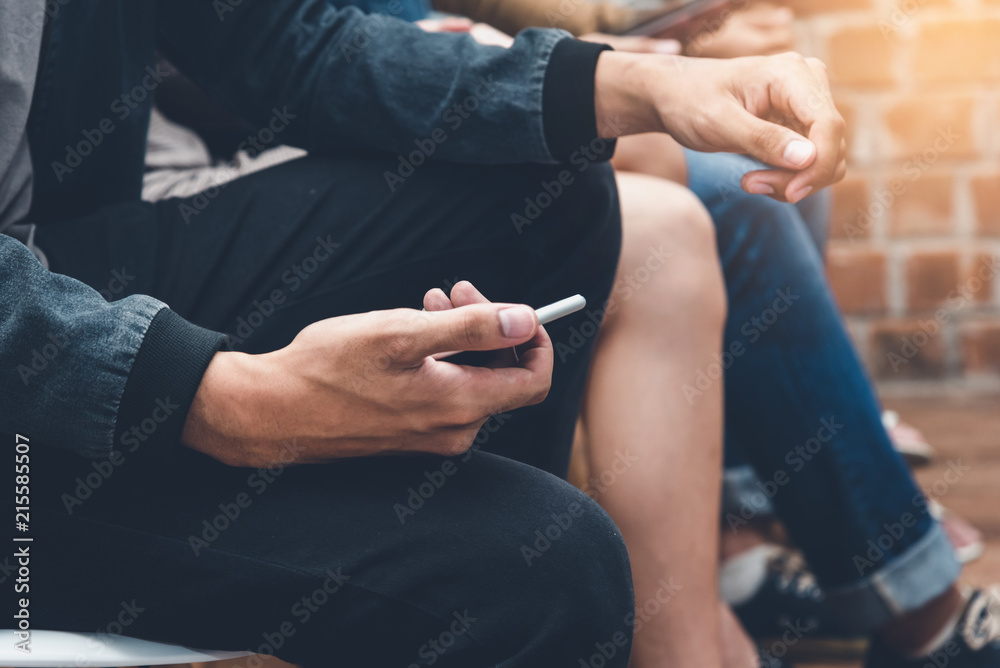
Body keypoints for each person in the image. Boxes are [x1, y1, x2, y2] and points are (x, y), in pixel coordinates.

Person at [0, 0, 845, 666]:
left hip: (59, 264)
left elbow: (284, 45)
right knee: (544, 570)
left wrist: (640, 89)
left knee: (554, 195)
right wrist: (216, 397)